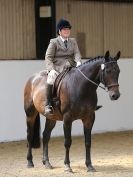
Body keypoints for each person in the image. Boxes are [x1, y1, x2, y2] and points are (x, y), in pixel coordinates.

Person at [45, 18, 82, 115]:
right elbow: (48, 57)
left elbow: (77, 53)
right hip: (57, 67)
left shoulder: (73, 41)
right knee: (50, 79)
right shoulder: (54, 42)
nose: (67, 31)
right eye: (64, 29)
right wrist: (51, 69)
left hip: (71, 66)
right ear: (59, 31)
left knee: (82, 77)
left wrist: (78, 62)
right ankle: (48, 104)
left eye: (68, 29)